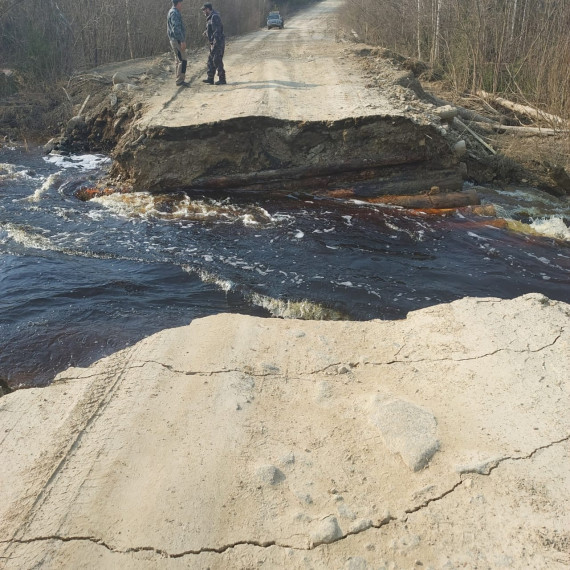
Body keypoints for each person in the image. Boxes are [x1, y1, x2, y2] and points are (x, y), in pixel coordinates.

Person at [201, 3, 226, 85]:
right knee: (210, 60)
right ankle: (210, 78)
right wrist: (206, 33)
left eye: (204, 10)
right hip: (213, 42)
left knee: (217, 59)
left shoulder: (214, 17)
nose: (203, 12)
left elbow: (217, 31)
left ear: (208, 9)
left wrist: (215, 44)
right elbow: (210, 28)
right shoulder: (210, 18)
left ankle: (222, 79)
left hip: (218, 42)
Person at [167, 0, 189, 87]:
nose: (181, 5)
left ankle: (180, 79)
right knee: (182, 60)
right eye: (181, 3)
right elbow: (175, 28)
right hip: (177, 40)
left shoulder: (173, 12)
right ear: (178, 3)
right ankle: (180, 80)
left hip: (175, 39)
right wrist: (182, 40)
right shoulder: (174, 13)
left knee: (181, 59)